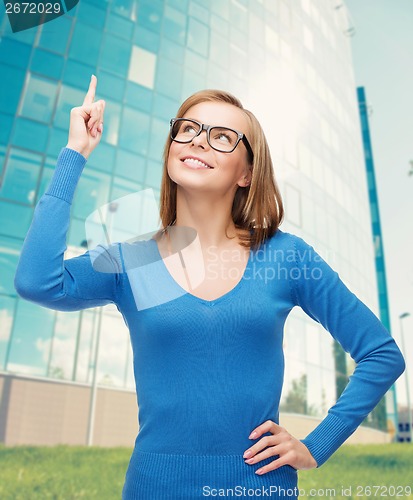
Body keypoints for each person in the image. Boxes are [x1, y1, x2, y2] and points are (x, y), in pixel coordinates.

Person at [14, 75, 405, 499]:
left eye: (222, 137)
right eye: (188, 129)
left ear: (247, 172)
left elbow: (381, 354)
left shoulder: (285, 256)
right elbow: (39, 282)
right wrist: (75, 154)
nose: (198, 141)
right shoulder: (137, 260)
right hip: (154, 488)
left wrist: (316, 445)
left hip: (260, 487)